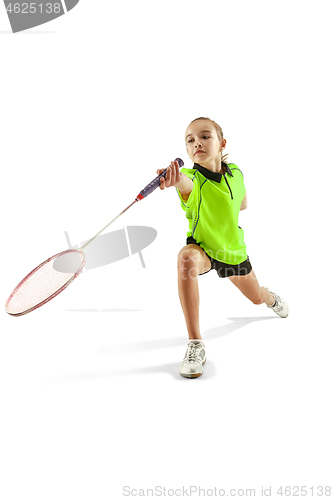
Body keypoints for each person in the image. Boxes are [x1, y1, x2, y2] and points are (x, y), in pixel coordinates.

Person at [157, 117, 289, 379]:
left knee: (256, 298)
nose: (197, 143)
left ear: (221, 143)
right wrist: (174, 179)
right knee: (186, 258)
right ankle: (195, 344)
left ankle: (270, 298)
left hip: (233, 253)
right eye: (190, 140)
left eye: (205, 136)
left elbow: (242, 203)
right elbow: (185, 184)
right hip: (203, 250)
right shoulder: (192, 178)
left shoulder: (237, 173)